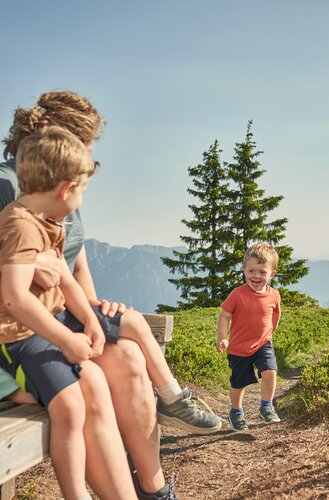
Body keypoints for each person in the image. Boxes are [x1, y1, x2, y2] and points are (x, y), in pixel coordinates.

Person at [0, 91, 220, 499]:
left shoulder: (58, 191)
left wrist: (92, 310)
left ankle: (153, 491)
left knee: (131, 356)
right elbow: (17, 283)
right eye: (88, 144)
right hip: (22, 334)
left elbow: (74, 263)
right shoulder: (11, 188)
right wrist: (34, 269)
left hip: (58, 318)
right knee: (92, 382)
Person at [0, 127, 138, 500]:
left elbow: (66, 280)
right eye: (83, 190)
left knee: (80, 397)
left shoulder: (50, 222)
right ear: (66, 188)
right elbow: (14, 299)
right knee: (70, 407)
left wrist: (91, 321)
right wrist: (67, 339)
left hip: (43, 335)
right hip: (19, 343)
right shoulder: (19, 225)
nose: (81, 199)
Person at [217, 243, 282, 431]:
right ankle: (236, 412)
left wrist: (271, 330)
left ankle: (266, 406)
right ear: (244, 270)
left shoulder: (274, 295)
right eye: (251, 270)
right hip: (238, 347)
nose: (256, 276)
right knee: (239, 383)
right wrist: (222, 337)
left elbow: (276, 314)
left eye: (262, 272)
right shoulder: (237, 294)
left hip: (263, 343)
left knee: (270, 372)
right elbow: (224, 316)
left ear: (272, 274)